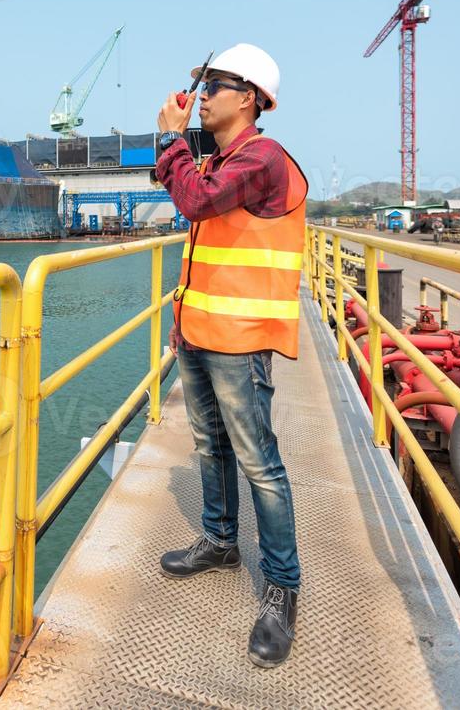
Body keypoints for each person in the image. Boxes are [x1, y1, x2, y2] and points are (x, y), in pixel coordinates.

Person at [152, 43, 309, 669]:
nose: (203, 95)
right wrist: (180, 322)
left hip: (240, 339)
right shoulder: (221, 158)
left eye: (214, 85)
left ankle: (281, 590)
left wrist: (170, 140)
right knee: (208, 445)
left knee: (259, 462)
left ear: (249, 98)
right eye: (202, 85)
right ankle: (220, 541)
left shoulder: (262, 157)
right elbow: (199, 222)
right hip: (198, 331)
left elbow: (192, 201)